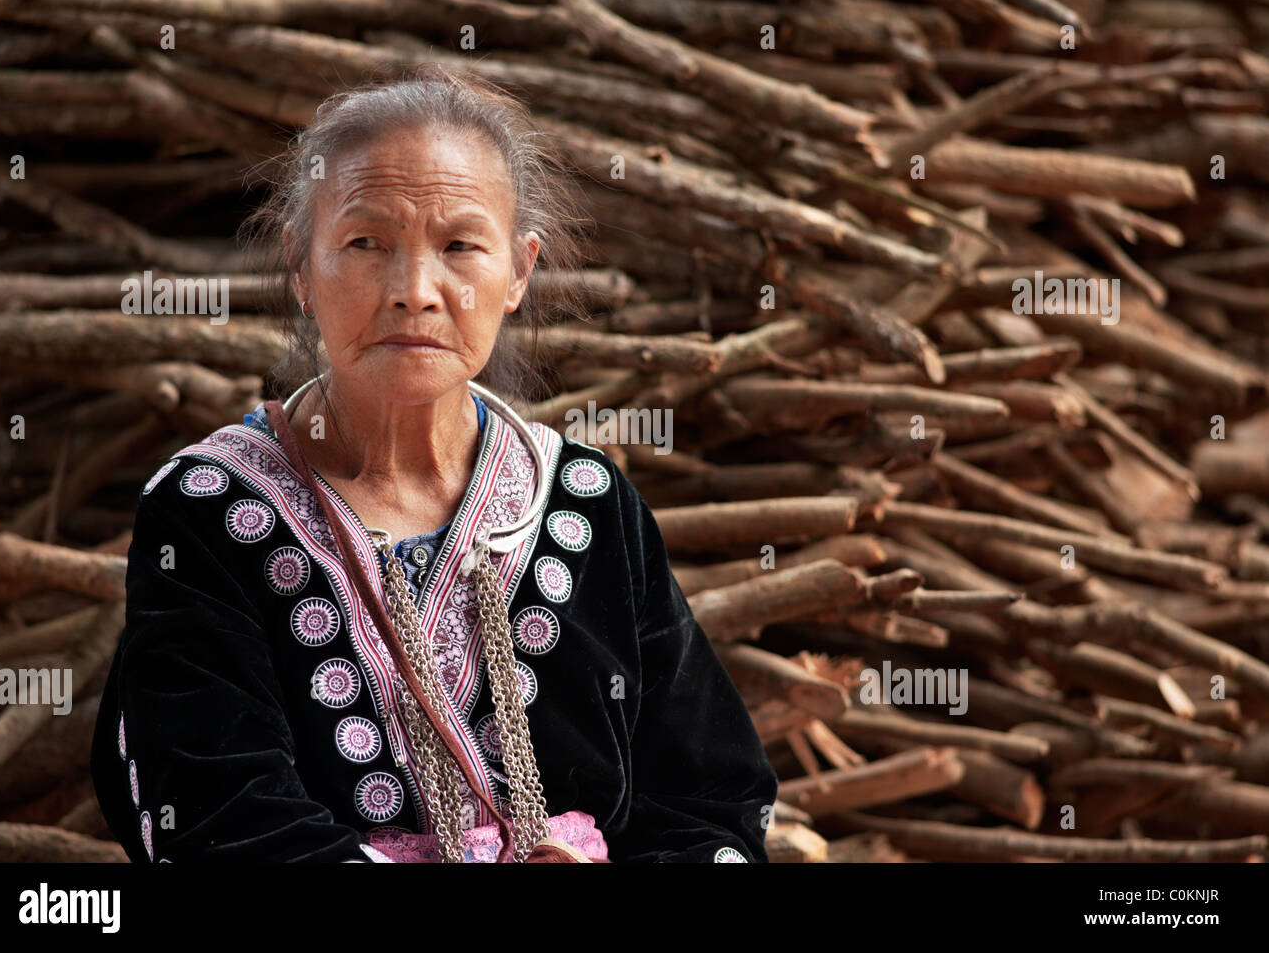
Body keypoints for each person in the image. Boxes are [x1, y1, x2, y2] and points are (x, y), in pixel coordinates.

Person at [90, 64, 777, 863]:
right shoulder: (208, 512)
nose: (414, 289)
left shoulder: (590, 504)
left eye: (460, 245)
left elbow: (713, 802)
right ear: (301, 268)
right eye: (365, 243)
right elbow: (214, 816)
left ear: (518, 271)